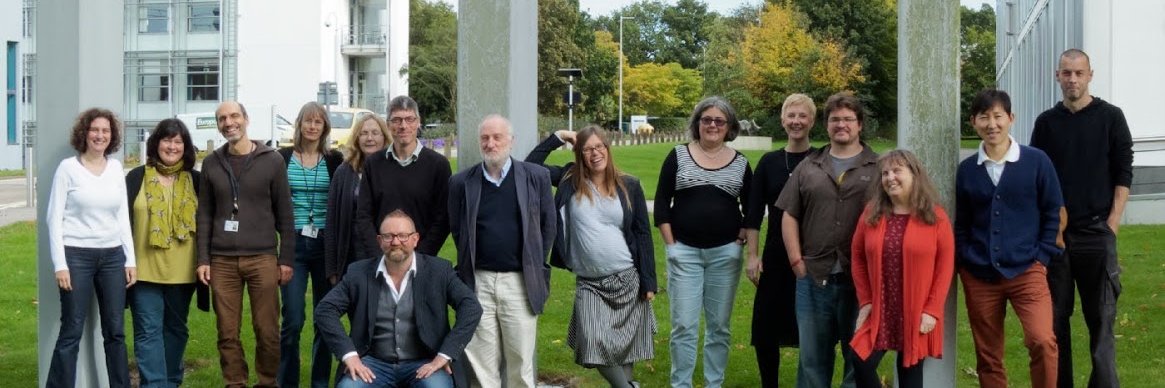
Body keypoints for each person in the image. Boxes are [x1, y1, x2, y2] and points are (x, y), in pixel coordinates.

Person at [1030, 48, 1134, 388]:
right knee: (1056, 323)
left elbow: (1123, 174)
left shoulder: (1111, 117)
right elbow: (1038, 180)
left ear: (1090, 75)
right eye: (1066, 73)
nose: (1072, 79)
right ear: (1056, 76)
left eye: (1078, 73)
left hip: (1096, 234)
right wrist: (1047, 231)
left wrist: (1112, 226)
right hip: (1057, 239)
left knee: (1101, 323)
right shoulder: (1046, 124)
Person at [526, 126, 657, 388]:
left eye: (599, 147)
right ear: (579, 154)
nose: (595, 153)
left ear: (607, 148)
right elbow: (528, 167)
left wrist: (649, 281)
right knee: (594, 340)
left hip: (627, 278)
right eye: (587, 149)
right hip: (590, 283)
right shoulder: (568, 178)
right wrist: (557, 137)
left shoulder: (629, 184)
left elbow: (642, 234)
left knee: (625, 347)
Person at [957, 89, 1063, 388]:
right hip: (979, 274)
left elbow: (1053, 210)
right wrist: (965, 258)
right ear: (974, 122)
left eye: (998, 116)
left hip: (1027, 269)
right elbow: (962, 221)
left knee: (1043, 340)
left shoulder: (1036, 161)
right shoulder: (967, 170)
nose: (992, 124)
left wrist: (1042, 256)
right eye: (984, 117)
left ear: (1011, 119)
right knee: (988, 354)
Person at [776, 92, 880, 388]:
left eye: (848, 119)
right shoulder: (809, 166)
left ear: (859, 124)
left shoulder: (878, 168)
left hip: (861, 282)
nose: (841, 125)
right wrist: (797, 261)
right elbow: (789, 215)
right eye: (835, 119)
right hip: (813, 279)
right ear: (826, 125)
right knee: (812, 362)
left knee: (857, 360)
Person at [315, 210, 482, 388]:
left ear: (415, 239)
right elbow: (325, 310)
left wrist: (445, 354)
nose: (395, 242)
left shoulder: (439, 271)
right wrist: (349, 355)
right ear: (379, 241)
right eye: (388, 236)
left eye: (403, 236)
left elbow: (471, 307)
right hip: (372, 363)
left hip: (424, 362)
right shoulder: (358, 273)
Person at [447, 114, 555, 388]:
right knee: (481, 364)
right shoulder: (462, 182)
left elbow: (548, 226)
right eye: (485, 138)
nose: (490, 143)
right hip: (478, 281)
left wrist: (535, 263)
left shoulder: (536, 177)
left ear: (511, 141)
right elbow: (458, 230)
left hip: (520, 281)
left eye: (497, 137)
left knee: (520, 362)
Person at [196, 101, 295, 388]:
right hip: (222, 260)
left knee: (267, 330)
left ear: (246, 119)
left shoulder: (272, 160)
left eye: (234, 116)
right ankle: (235, 383)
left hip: (262, 257)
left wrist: (285, 259)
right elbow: (204, 214)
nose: (229, 123)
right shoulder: (212, 162)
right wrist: (203, 259)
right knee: (227, 332)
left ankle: (266, 381)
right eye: (222, 119)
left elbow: (285, 213)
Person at [655, 96, 752, 388]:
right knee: (683, 325)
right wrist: (671, 245)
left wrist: (740, 240)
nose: (712, 125)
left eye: (719, 121)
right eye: (706, 119)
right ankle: (680, 384)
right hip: (683, 252)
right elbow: (661, 202)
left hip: (725, 255)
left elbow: (752, 208)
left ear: (729, 127)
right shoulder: (678, 155)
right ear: (697, 123)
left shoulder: (741, 163)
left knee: (719, 327)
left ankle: (714, 383)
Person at [46, 108, 137, 388]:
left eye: (106, 131)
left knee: (115, 332)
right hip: (76, 257)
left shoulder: (115, 168)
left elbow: (122, 216)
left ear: (112, 136)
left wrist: (129, 260)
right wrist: (60, 264)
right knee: (71, 330)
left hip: (112, 257)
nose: (100, 135)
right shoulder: (67, 169)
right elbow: (54, 219)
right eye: (95, 130)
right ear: (84, 133)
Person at [850, 150, 955, 388]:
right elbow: (857, 256)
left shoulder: (935, 217)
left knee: (910, 376)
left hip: (916, 309)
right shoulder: (871, 213)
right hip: (881, 306)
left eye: (897, 170)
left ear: (914, 175)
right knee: (861, 361)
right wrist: (866, 301)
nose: (890, 177)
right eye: (885, 173)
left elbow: (945, 266)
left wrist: (932, 309)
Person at [126, 118, 210, 387]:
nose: (172, 146)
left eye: (178, 141)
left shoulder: (197, 181)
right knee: (147, 332)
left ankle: (171, 381)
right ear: (156, 143)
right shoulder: (136, 177)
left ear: (185, 147)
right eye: (167, 140)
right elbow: (122, 223)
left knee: (176, 330)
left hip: (183, 273)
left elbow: (209, 223)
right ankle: (154, 384)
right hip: (143, 271)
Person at [743, 93, 816, 387]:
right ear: (783, 120)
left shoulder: (822, 159)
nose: (796, 121)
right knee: (765, 327)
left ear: (811, 121)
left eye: (802, 116)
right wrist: (752, 255)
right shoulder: (770, 162)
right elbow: (752, 212)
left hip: (812, 255)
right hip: (775, 255)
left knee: (811, 328)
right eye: (791, 115)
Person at [276, 101, 345, 388]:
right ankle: (287, 380)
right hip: (293, 244)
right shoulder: (282, 157)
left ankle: (319, 382)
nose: (313, 127)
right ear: (300, 124)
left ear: (325, 127)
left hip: (325, 245)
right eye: (308, 121)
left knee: (324, 317)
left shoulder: (334, 159)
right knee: (292, 319)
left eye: (319, 122)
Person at [356, 95, 452, 256]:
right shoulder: (373, 164)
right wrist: (379, 255)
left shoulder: (438, 165)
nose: (403, 125)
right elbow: (364, 215)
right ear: (387, 124)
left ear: (418, 122)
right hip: (381, 258)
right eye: (397, 120)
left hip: (421, 260)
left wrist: (420, 257)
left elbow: (443, 218)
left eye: (409, 119)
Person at [325, 114, 392, 285]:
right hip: (351, 252)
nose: (370, 138)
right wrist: (332, 267)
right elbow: (332, 220)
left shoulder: (394, 170)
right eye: (364, 133)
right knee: (357, 307)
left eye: (375, 133)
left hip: (387, 252)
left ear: (384, 137)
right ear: (356, 138)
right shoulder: (344, 172)